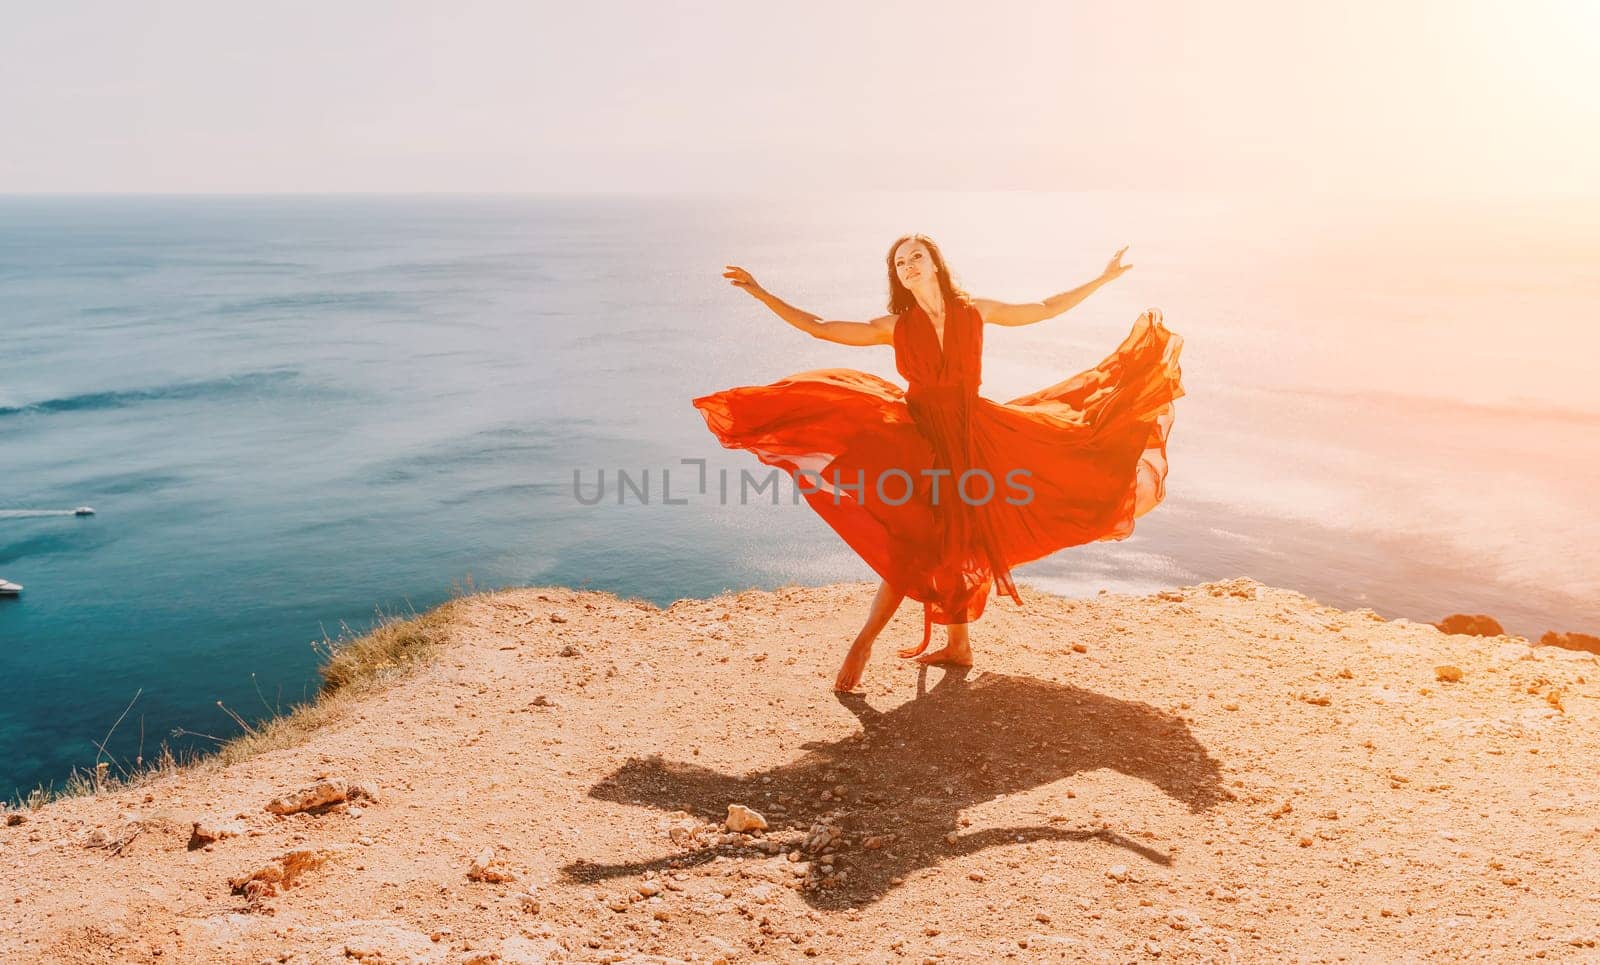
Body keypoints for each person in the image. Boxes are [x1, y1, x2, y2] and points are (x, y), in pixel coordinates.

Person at [692, 234, 1184, 692]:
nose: (907, 266)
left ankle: (956, 645)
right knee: (919, 538)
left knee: (976, 523)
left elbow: (1044, 308)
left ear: (935, 264)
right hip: (921, 439)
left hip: (976, 435)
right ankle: (879, 643)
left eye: (915, 257)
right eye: (898, 263)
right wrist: (762, 293)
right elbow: (819, 327)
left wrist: (1101, 279)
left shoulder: (974, 311)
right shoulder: (894, 327)